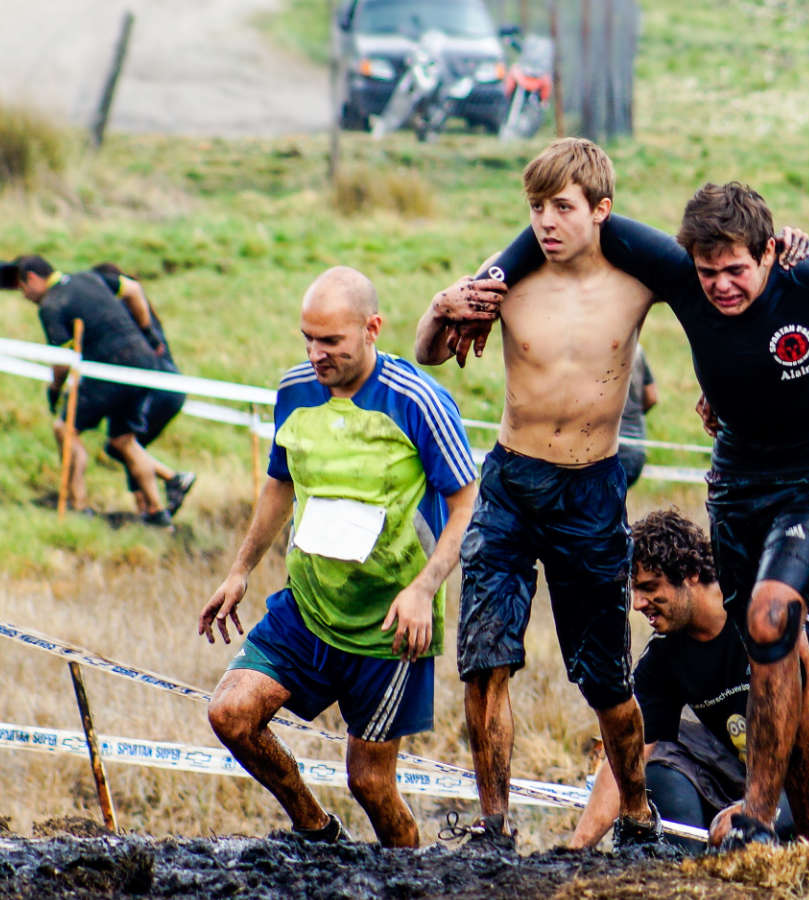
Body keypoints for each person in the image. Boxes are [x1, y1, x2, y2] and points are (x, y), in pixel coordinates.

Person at [465, 177, 809, 850]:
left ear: (768, 253)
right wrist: (491, 280)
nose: (722, 286)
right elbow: (577, 224)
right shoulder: (683, 278)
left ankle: (759, 812)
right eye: (709, 274)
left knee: (769, 617)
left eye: (736, 270)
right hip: (734, 484)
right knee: (782, 655)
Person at [414, 138, 662, 851]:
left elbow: (715, 298)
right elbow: (431, 351)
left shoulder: (636, 282)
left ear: (600, 210)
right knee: (485, 658)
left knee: (606, 679)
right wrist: (439, 306)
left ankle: (637, 815)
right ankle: (493, 825)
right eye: (535, 208)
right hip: (511, 483)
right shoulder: (506, 280)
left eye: (561, 208)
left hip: (592, 491)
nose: (546, 222)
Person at [197, 266, 478, 847]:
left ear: (372, 328)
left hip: (390, 626)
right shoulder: (294, 391)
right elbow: (280, 482)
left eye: (330, 341)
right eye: (307, 338)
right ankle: (315, 830)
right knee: (230, 714)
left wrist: (424, 589)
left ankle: (409, 878)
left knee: (369, 782)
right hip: (308, 607)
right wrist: (240, 570)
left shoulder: (418, 402)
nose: (315, 354)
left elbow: (467, 503)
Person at [569, 510, 809, 853]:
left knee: (742, 834)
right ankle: (686, 871)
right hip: (764, 777)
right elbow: (625, 758)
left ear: (691, 575)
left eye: (650, 588)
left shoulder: (773, 604)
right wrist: (577, 851)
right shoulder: (664, 655)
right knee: (658, 775)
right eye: (633, 589)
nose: (637, 603)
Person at [4, 254, 183, 525]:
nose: (24, 296)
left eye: (23, 288)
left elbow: (62, 361)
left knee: (65, 429)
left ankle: (79, 505)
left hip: (110, 367)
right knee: (123, 441)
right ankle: (158, 513)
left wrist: (54, 389)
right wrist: (147, 332)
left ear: (32, 278)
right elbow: (134, 290)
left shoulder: (51, 305)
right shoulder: (89, 278)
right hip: (144, 364)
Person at [92, 263, 197, 517]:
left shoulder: (122, 317)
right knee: (130, 447)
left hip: (152, 389)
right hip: (167, 386)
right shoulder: (142, 312)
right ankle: (149, 509)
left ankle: (172, 482)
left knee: (122, 444)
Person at [617, 345, 657, 487]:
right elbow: (652, 397)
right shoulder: (637, 348)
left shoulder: (592, 348)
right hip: (635, 450)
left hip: (604, 451)